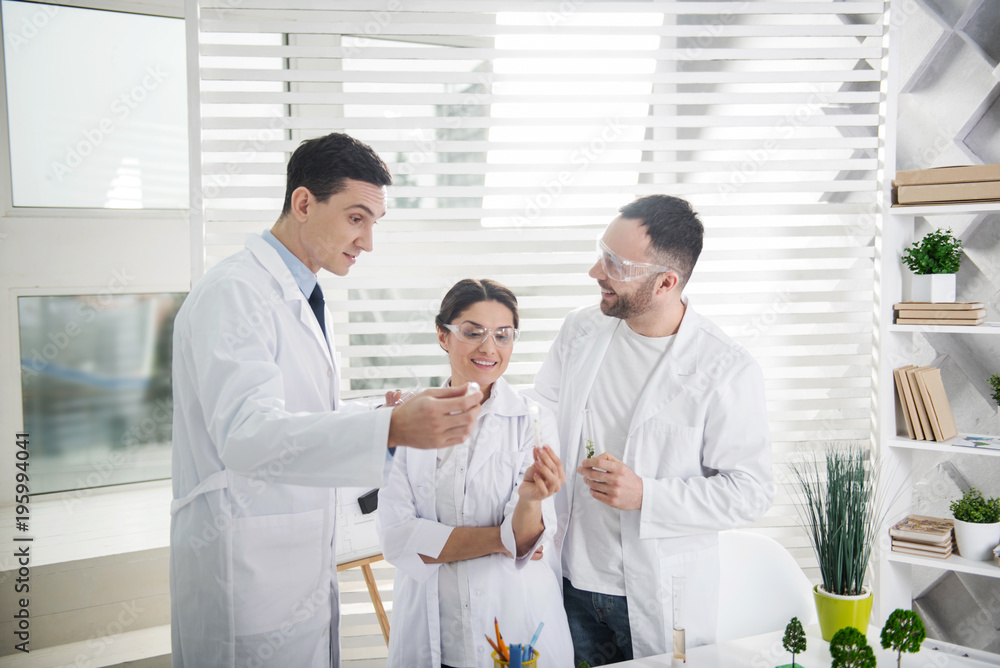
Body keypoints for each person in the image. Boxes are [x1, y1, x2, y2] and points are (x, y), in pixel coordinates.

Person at [169, 133, 483, 668]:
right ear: (304, 203)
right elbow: (247, 439)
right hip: (243, 569)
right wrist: (392, 430)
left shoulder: (305, 295)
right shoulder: (234, 293)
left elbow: (297, 420)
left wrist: (379, 417)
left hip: (294, 561)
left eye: (374, 224)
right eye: (356, 218)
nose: (367, 242)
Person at [530, 195, 774, 665]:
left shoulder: (725, 368)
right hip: (569, 582)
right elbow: (538, 417)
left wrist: (647, 494)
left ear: (666, 282)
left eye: (614, 264)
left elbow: (751, 491)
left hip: (659, 593)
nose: (594, 272)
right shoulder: (580, 331)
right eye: (601, 252)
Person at [377, 279, 574, 668]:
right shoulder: (407, 419)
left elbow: (530, 543)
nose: (489, 347)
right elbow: (398, 538)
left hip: (515, 628)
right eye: (472, 332)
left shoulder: (532, 421)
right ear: (442, 335)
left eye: (503, 335)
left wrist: (529, 501)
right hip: (433, 633)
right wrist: (504, 539)